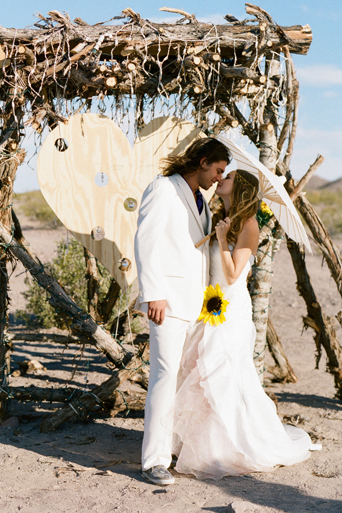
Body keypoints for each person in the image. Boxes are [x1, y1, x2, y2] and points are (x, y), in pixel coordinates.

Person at [171, 169, 318, 481]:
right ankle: (200, 444)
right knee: (200, 371)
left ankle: (225, 449)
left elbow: (235, 274)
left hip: (230, 308)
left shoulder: (249, 225)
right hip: (210, 304)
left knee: (220, 372)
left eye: (229, 176)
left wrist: (223, 240)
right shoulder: (221, 218)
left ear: (240, 188)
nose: (221, 177)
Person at [134, 137, 231, 486]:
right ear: (203, 162)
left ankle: (172, 446)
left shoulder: (201, 199)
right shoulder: (162, 189)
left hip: (195, 304)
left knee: (180, 379)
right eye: (218, 170)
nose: (219, 178)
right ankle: (154, 462)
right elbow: (145, 240)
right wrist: (153, 293)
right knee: (163, 376)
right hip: (167, 302)